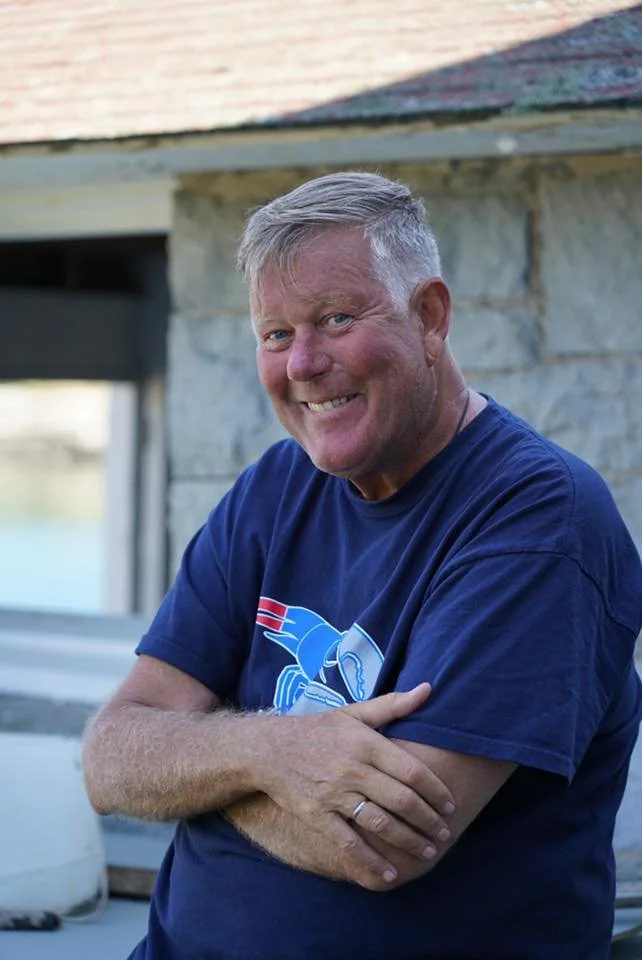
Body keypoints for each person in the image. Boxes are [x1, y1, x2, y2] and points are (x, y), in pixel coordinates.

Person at [82, 171, 642, 960]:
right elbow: (111, 758)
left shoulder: (538, 517)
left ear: (430, 317)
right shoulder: (273, 490)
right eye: (276, 335)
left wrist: (195, 764)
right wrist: (273, 753)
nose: (303, 363)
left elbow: (382, 845)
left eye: (336, 319)